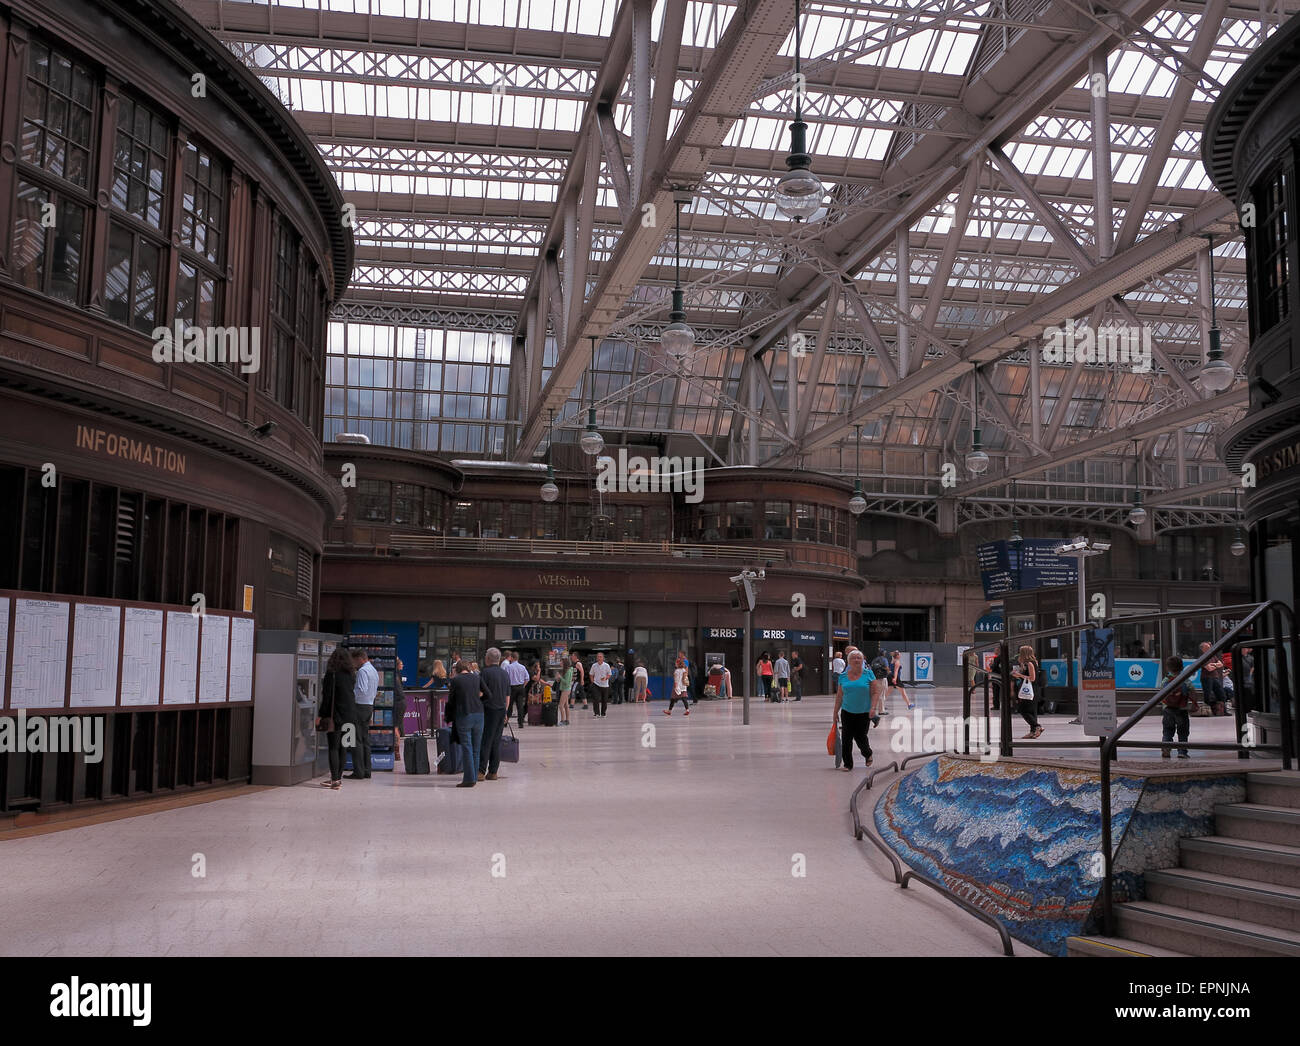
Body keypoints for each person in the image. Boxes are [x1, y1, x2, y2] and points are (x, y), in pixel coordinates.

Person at [317, 646, 357, 790]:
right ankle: (338, 778)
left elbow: (327, 698)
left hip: (336, 716)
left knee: (333, 747)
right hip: (351, 716)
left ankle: (335, 780)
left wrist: (321, 715)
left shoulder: (331, 674)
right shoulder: (352, 674)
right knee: (343, 748)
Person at [832, 649, 875, 771]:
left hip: (864, 712)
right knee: (847, 737)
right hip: (847, 711)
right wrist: (835, 712)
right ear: (848, 661)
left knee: (861, 737)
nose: (856, 660)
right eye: (853, 658)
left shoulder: (869, 674)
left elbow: (875, 692)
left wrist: (873, 707)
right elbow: (839, 695)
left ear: (862, 660)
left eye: (858, 658)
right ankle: (848, 764)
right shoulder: (843, 676)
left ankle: (867, 753)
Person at [447, 661, 484, 788]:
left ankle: (469, 779)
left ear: (457, 669)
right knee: (476, 748)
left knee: (467, 747)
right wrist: (477, 700)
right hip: (479, 714)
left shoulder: (456, 680)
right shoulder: (477, 677)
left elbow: (451, 700)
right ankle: (474, 777)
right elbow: (488, 694)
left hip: (464, 714)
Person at [478, 648, 511, 781]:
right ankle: (493, 772)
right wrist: (505, 712)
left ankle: (480, 771)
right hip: (501, 710)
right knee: (496, 741)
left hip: (488, 709)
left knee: (485, 740)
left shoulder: (484, 673)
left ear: (488, 659)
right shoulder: (505, 674)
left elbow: (479, 692)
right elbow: (507, 695)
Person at [349, 648, 379, 779]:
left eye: (354, 661)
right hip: (369, 706)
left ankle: (358, 771)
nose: (353, 664)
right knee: (365, 740)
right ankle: (367, 770)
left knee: (357, 740)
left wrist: (349, 698)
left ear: (360, 659)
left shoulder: (362, 671)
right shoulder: (373, 670)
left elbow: (361, 689)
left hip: (359, 706)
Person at [1159, 653, 1191, 758]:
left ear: (1168, 667)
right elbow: (1192, 691)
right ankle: (1182, 752)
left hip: (1168, 709)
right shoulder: (1185, 679)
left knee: (1168, 730)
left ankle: (1166, 748)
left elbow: (1161, 694)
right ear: (1182, 667)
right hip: (1181, 709)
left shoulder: (1165, 680)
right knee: (1183, 731)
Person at [1011, 645, 1042, 739]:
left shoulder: (1030, 663)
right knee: (1032, 711)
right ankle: (1033, 732)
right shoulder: (1031, 662)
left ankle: (1037, 726)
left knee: (1023, 710)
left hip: (1030, 690)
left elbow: (1032, 678)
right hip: (1031, 689)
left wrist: (1019, 675)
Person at [1199, 642, 1228, 716]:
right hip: (1206, 677)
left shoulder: (1213, 656)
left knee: (1221, 693)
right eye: (1207, 647)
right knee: (1208, 694)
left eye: (1209, 647)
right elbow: (1209, 668)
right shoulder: (1202, 657)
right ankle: (1208, 711)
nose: (1209, 648)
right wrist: (1216, 665)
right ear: (1203, 649)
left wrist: (1213, 665)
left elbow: (1221, 664)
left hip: (1215, 677)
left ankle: (1223, 710)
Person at [505, 650, 530, 728]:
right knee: (520, 706)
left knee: (509, 705)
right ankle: (520, 723)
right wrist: (523, 686)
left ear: (512, 658)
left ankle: (505, 721)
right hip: (520, 687)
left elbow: (506, 678)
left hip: (512, 688)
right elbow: (527, 678)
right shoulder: (522, 667)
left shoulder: (508, 667)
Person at [393, 655, 407, 761]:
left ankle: (396, 752)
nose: (403, 665)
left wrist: (396, 660)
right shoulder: (397, 675)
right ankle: (396, 751)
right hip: (401, 702)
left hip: (398, 702)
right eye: (401, 664)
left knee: (395, 727)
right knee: (397, 726)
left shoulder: (395, 674)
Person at [590, 651, 612, 717]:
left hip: (605, 685)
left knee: (604, 700)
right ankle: (596, 713)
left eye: (600, 657)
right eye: (598, 657)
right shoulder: (594, 665)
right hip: (596, 684)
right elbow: (591, 674)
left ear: (603, 658)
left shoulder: (606, 665)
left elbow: (609, 674)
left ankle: (603, 713)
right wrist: (592, 682)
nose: (599, 658)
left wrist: (606, 678)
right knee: (596, 699)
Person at [557, 658, 573, 726]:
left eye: (561, 662)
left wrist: (560, 677)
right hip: (565, 689)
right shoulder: (566, 670)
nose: (560, 663)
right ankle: (567, 720)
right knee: (566, 705)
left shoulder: (568, 671)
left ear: (564, 663)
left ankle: (562, 720)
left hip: (566, 689)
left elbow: (567, 682)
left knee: (561, 705)